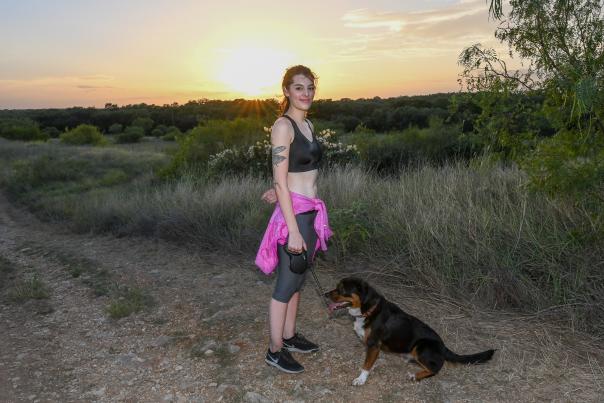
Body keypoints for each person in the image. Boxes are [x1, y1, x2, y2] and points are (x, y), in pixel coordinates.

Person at [255, 65, 332, 374]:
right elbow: (279, 178)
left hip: (311, 210)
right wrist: (294, 232)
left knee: (298, 279)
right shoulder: (282, 126)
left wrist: (280, 188)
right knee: (286, 285)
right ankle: (274, 351)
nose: (306, 94)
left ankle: (288, 337)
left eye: (310, 88)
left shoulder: (308, 125)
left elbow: (294, 172)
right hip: (295, 217)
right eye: (299, 88)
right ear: (286, 90)